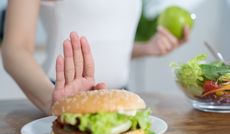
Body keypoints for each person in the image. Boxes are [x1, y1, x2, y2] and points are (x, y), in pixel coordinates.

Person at [1, 0, 189, 114]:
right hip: (58, 99)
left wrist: (147, 48)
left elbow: (105, 41)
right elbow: (15, 49)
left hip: (120, 98)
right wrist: (53, 102)